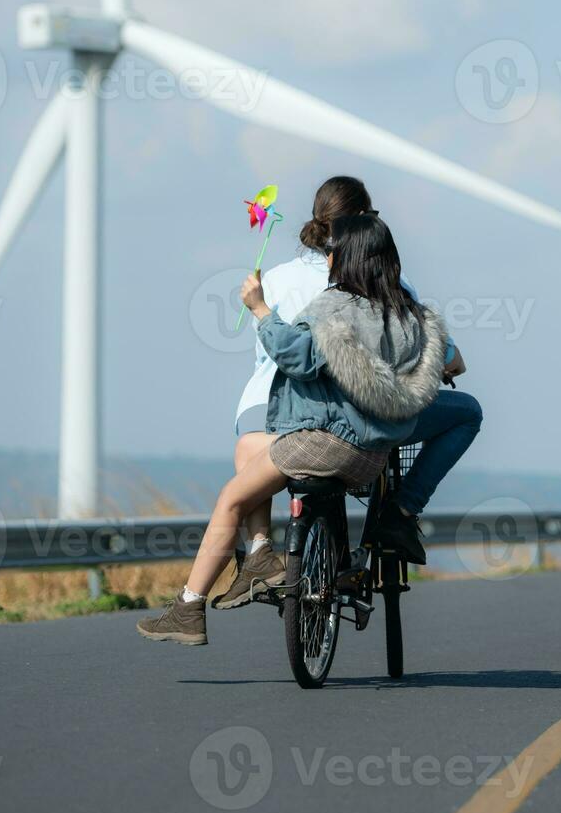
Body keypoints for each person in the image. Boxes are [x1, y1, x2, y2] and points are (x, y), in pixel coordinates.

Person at [137, 215, 448, 645]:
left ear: (346, 258)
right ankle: (261, 553)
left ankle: (189, 607)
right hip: (371, 453)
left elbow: (298, 359)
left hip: (328, 442)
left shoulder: (336, 306)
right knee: (249, 447)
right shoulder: (410, 316)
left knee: (230, 499)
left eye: (334, 251)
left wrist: (260, 308)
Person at [210, 176, 479, 612]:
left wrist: (261, 310)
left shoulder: (275, 278)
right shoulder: (380, 279)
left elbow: (270, 353)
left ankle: (258, 551)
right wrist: (447, 359)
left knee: (251, 465)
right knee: (462, 413)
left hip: (265, 403)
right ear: (365, 224)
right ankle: (401, 511)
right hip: (349, 414)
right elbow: (419, 337)